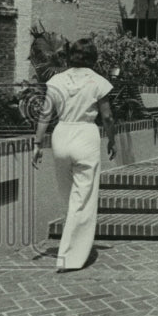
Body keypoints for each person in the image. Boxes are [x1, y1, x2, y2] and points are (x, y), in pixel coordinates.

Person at [32, 37, 116, 273]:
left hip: (61, 136)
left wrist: (37, 142)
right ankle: (71, 256)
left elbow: (45, 113)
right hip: (85, 135)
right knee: (84, 198)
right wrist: (112, 138)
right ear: (93, 58)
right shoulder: (98, 81)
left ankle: (72, 247)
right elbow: (107, 117)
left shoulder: (56, 80)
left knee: (70, 198)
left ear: (69, 57)